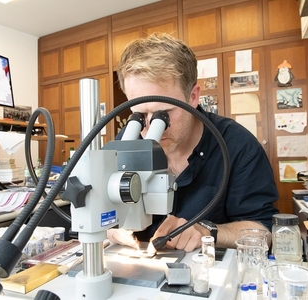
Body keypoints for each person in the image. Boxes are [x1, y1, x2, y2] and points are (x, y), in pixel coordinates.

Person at [107, 33, 279, 252]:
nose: (151, 129)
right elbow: (102, 207)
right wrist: (108, 228)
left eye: (164, 114)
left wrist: (208, 232)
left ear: (193, 97)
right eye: (140, 114)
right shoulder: (126, 140)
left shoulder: (238, 146)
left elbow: (264, 231)